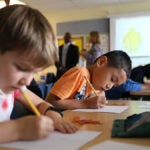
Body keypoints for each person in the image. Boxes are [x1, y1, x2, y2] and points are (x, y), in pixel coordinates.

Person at [0, 4, 77, 143]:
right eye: (22, 68)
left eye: (34, 73)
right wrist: (18, 129)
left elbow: (40, 104)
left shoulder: (14, 88)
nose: (28, 82)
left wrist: (53, 116)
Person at [46, 50, 132, 110]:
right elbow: (50, 102)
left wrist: (98, 98)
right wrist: (86, 104)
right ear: (101, 62)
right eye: (112, 79)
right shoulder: (80, 73)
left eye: (114, 85)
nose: (110, 86)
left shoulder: (95, 85)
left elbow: (98, 96)